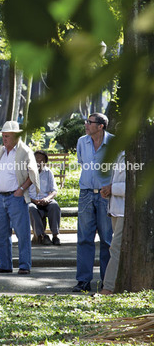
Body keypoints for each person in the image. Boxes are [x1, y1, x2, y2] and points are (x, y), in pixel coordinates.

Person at [0, 121, 39, 275]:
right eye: (3, 136)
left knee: (22, 233)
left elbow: (33, 174)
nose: (4, 139)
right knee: (0, 233)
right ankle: (5, 264)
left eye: (7, 136)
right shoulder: (0, 151)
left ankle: (25, 265)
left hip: (16, 197)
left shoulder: (25, 151)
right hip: (0, 197)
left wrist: (22, 189)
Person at [73, 113, 114, 292]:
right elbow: (82, 162)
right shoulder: (82, 141)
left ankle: (107, 281)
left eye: (89, 122)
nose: (86, 125)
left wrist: (111, 187)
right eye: (86, 122)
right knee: (84, 239)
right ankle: (83, 281)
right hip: (86, 194)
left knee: (107, 239)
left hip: (106, 195)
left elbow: (120, 169)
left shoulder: (113, 143)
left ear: (100, 126)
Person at [99, 150, 125, 295]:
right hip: (116, 209)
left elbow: (136, 185)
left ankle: (108, 287)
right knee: (118, 249)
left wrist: (112, 189)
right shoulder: (120, 153)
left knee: (115, 248)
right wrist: (109, 188)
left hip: (126, 211)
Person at [28, 150, 62, 246]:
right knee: (31, 208)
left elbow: (54, 190)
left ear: (45, 162)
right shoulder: (27, 172)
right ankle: (41, 235)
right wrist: (34, 200)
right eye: (36, 160)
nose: (38, 162)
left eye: (41, 160)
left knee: (54, 206)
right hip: (32, 200)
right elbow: (24, 192)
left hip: (46, 200)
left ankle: (55, 235)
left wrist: (47, 199)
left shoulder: (48, 172)